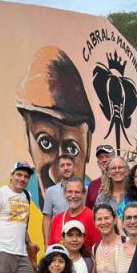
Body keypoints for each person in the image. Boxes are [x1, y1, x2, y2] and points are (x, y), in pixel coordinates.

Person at [15, 46, 96, 210]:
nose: (55, 174)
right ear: (27, 136)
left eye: (72, 149)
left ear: (88, 145)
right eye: (45, 143)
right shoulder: (17, 195)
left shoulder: (93, 196)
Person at [47, 178, 101, 248]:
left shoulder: (92, 218)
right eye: (69, 192)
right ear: (64, 193)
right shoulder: (57, 219)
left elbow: (98, 248)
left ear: (84, 194)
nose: (73, 196)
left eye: (77, 192)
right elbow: (51, 248)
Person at [42, 155, 75, 245]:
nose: (66, 168)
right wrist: (46, 244)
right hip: (58, 241)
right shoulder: (51, 191)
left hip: (79, 240)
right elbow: (47, 218)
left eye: (68, 164)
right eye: (62, 165)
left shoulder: (84, 190)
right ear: (58, 169)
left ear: (74, 167)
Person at [86, 144, 116, 209]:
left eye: (107, 156)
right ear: (98, 162)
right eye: (101, 157)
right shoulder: (92, 185)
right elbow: (88, 210)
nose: (104, 160)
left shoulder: (120, 182)